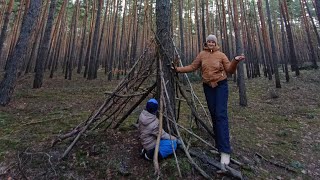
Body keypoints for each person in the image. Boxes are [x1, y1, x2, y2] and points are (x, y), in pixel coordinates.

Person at [174, 34, 245, 166]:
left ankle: (225, 151)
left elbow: (230, 70)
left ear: (216, 43)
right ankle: (219, 146)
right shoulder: (201, 55)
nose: (211, 43)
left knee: (220, 115)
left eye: (213, 41)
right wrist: (177, 69)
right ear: (206, 43)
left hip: (220, 87)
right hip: (208, 88)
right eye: (209, 41)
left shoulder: (221, 55)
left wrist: (235, 60)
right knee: (214, 115)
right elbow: (192, 67)